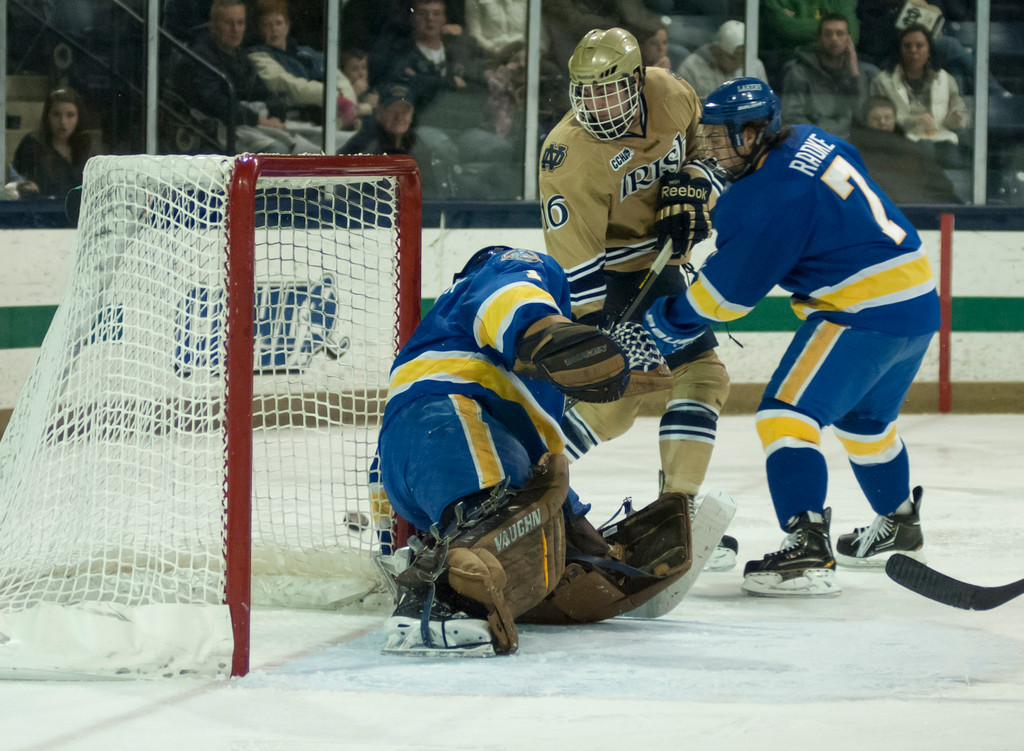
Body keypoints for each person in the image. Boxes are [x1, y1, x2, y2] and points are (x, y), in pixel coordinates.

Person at [642, 77, 939, 597]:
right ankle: (900, 524)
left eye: (722, 137)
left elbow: (724, 301)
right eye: (707, 137)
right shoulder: (812, 139)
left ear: (756, 133)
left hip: (860, 311)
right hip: (917, 302)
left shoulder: (767, 196)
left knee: (786, 417)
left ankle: (807, 548)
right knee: (865, 422)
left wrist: (660, 324)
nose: (712, 148)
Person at [376, 245, 692, 655]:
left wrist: (573, 528)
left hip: (421, 460)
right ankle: (437, 600)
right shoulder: (507, 267)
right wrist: (546, 332)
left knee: (533, 520)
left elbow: (540, 473)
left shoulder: (488, 368)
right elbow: (510, 289)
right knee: (493, 519)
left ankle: (449, 554)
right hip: (449, 422)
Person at [538, 27, 736, 571]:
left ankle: (680, 508)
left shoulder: (670, 92)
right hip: (610, 277)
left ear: (634, 81)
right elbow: (576, 267)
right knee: (614, 402)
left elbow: (710, 150)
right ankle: (526, 487)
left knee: (703, 377)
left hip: (661, 266)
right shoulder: (569, 156)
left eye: (606, 90)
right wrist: (599, 330)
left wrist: (695, 183)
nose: (595, 104)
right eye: (585, 91)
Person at [171, 0, 319, 155]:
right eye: (229, 23)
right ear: (213, 25)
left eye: (240, 23)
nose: (235, 29)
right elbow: (216, 104)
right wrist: (259, 120)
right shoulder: (199, 58)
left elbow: (261, 90)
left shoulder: (239, 56)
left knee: (316, 143)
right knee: (279, 150)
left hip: (251, 122)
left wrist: (276, 111)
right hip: (223, 128)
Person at [247, 0, 360, 134]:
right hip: (292, 123)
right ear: (258, 28)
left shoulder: (308, 53)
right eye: (267, 24)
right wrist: (335, 99)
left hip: (329, 120)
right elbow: (291, 85)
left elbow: (339, 79)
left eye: (278, 23)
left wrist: (346, 105)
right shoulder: (257, 56)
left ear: (287, 25)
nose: (274, 30)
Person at [870, 23, 970, 168]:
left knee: (953, 158)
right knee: (923, 151)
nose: (913, 51)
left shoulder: (946, 79)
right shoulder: (883, 81)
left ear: (929, 49)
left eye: (919, 45)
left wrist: (955, 119)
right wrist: (913, 121)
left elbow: (961, 113)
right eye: (907, 46)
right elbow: (877, 118)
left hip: (941, 139)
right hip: (902, 141)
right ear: (900, 50)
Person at [340, 82, 459, 199]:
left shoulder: (421, 146)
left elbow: (432, 192)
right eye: (393, 110)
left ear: (412, 114)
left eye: (405, 111)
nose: (399, 117)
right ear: (379, 112)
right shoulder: (365, 146)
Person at [848, 95, 959, 203]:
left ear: (894, 119)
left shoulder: (912, 150)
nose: (882, 122)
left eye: (887, 118)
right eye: (876, 118)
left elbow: (942, 188)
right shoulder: (853, 152)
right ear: (866, 121)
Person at [780, 13, 875, 139]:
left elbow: (863, 116)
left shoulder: (857, 74)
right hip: (812, 143)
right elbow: (791, 118)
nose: (834, 38)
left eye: (839, 33)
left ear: (849, 40)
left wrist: (854, 72)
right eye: (828, 34)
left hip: (850, 144)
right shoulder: (799, 73)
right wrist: (824, 135)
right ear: (819, 39)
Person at [11, 87, 91, 201]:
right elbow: (15, 182)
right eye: (56, 114)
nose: (63, 121)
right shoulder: (32, 145)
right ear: (47, 116)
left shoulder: (83, 146)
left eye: (70, 115)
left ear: (78, 118)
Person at [759, 0, 859, 85]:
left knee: (870, 72)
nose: (833, 36)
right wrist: (834, 27)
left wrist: (798, 21)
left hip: (839, 60)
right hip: (795, 58)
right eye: (826, 33)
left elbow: (852, 34)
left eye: (838, 32)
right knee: (795, 73)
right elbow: (785, 28)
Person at [676, 20, 768, 100]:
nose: (739, 64)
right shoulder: (691, 67)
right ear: (716, 50)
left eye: (743, 59)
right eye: (733, 58)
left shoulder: (755, 65)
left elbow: (766, 100)